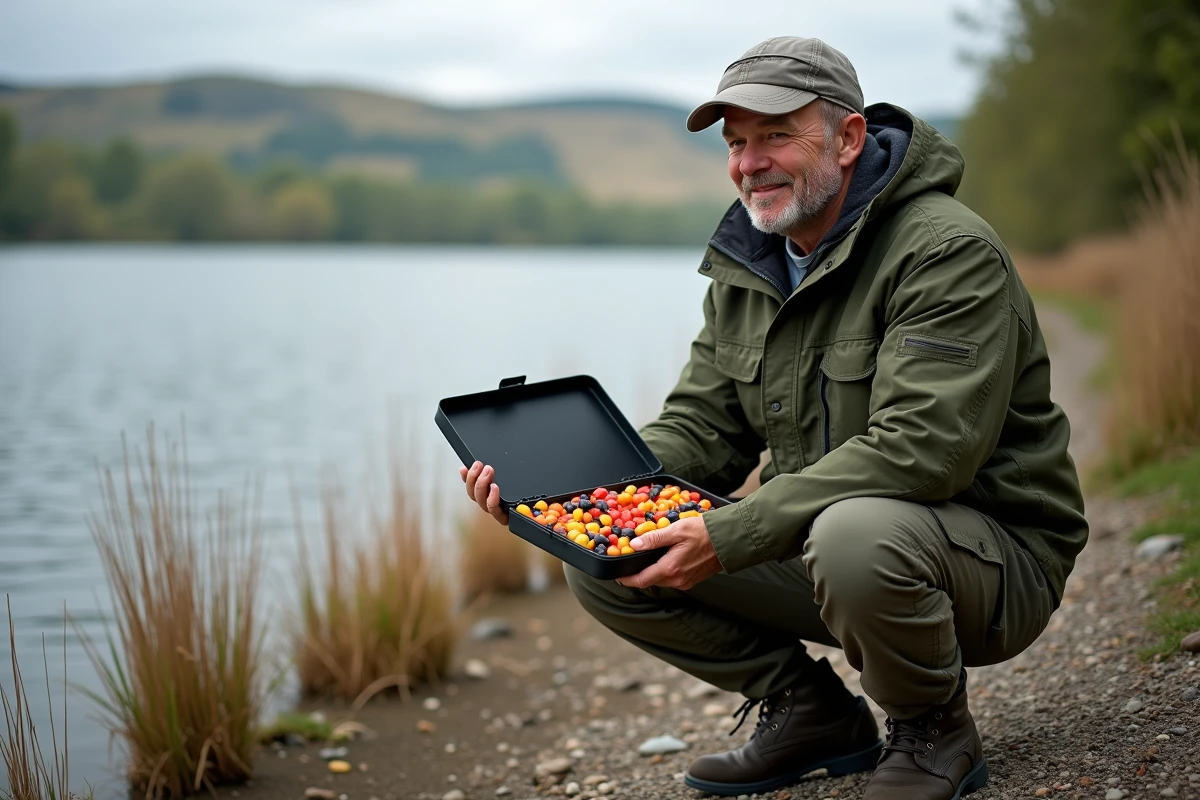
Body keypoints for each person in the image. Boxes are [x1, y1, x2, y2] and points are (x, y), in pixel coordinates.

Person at [459, 36, 1087, 799]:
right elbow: (701, 428)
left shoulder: (945, 251)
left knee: (853, 532)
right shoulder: (751, 264)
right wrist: (574, 495)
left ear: (847, 138)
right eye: (736, 143)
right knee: (610, 559)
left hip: (992, 561)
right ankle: (810, 713)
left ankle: (932, 730)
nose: (749, 162)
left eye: (776, 135)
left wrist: (729, 535)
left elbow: (925, 451)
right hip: (834, 546)